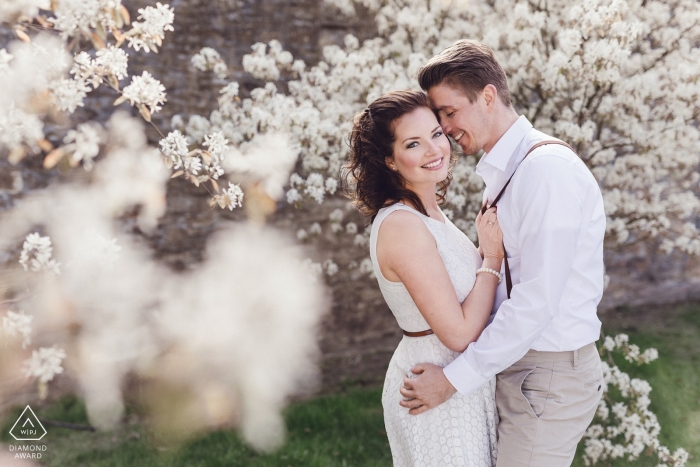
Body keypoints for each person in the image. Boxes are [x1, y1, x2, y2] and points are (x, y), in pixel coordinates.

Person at [398, 40, 606, 467]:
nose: (446, 129)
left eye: (450, 113)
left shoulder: (546, 172)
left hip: (548, 375)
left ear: (488, 96)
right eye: (439, 118)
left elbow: (536, 302)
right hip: (523, 368)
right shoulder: (509, 169)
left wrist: (452, 381)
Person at [344, 89, 505, 466]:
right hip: (432, 386)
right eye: (413, 143)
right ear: (389, 160)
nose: (435, 150)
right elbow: (459, 332)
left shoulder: (427, 212)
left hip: (454, 380)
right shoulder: (403, 225)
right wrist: (492, 257)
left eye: (436, 134)